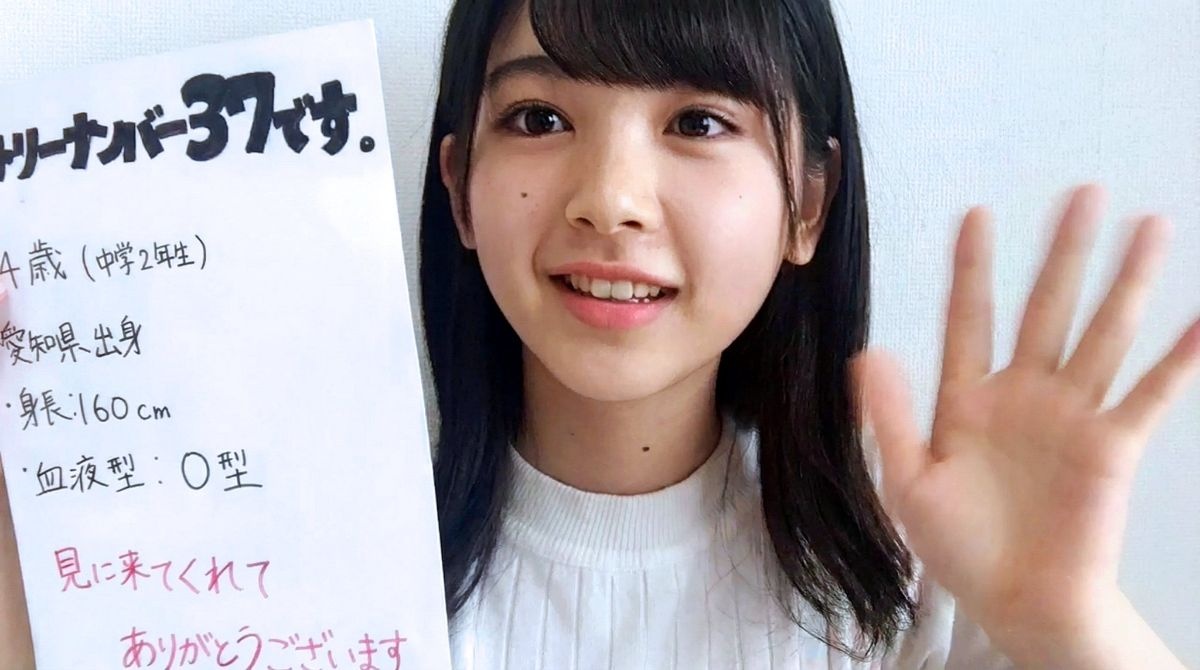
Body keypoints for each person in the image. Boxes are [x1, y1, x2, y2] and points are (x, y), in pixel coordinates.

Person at [1, 0, 1195, 668]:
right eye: (538, 116)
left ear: (809, 203)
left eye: (699, 122)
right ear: (459, 189)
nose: (610, 198)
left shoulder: (915, 578)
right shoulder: (296, 563)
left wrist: (1064, 621)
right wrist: (33, 512)